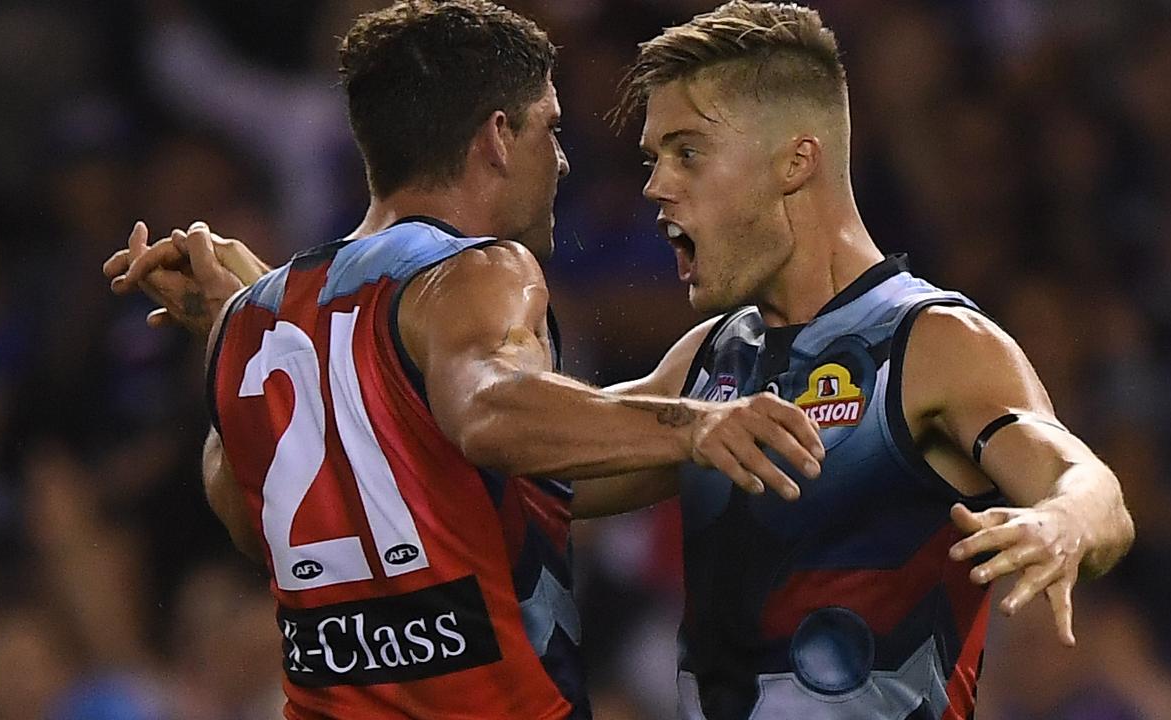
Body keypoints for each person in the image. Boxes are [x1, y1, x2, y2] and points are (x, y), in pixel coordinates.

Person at [111, 2, 1135, 719]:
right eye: (650, 158)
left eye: (685, 152)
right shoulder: (706, 365)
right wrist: (279, 314)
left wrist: (1056, 521)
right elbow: (450, 456)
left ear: (795, 160)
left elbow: (1084, 480)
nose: (652, 188)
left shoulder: (930, 342)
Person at [105, 2, 825, 719]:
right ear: (499, 137)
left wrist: (237, 319)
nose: (564, 158)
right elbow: (487, 410)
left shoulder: (259, 319)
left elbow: (252, 514)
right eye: (551, 127)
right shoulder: (479, 271)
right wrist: (692, 424)